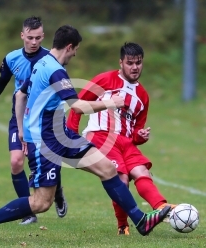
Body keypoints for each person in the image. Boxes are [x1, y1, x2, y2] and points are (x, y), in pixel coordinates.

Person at [0, 25, 171, 242]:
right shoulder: (56, 70)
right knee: (41, 203)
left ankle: (140, 220)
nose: (75, 54)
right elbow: (76, 106)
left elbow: (20, 95)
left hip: (60, 134)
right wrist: (109, 103)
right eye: (75, 50)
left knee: (106, 168)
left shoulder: (41, 62)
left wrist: (21, 129)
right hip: (45, 141)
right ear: (69, 47)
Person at [67, 42, 176, 235]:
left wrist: (141, 136)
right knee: (122, 179)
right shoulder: (104, 80)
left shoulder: (142, 95)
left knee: (142, 172)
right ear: (121, 63)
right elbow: (78, 105)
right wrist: (71, 135)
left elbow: (136, 130)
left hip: (126, 143)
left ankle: (161, 208)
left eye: (138, 63)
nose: (135, 67)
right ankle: (122, 225)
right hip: (102, 136)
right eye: (130, 63)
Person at [0, 16, 67, 225]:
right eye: (30, 37)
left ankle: (57, 193)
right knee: (16, 162)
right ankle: (29, 213)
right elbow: (2, 81)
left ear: (43, 36)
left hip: (44, 121)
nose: (34, 42)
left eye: (38, 38)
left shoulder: (50, 60)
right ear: (22, 35)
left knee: (47, 160)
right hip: (19, 118)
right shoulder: (12, 58)